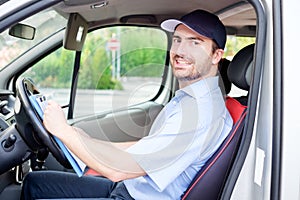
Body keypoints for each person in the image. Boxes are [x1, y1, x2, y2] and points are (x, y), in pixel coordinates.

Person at [21, 9, 233, 200]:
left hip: (133, 196)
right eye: (177, 40)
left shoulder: (198, 113)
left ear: (216, 55)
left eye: (194, 42)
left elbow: (119, 170)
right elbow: (143, 148)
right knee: (34, 183)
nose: (180, 50)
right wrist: (83, 139)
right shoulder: (191, 100)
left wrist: (63, 131)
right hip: (129, 188)